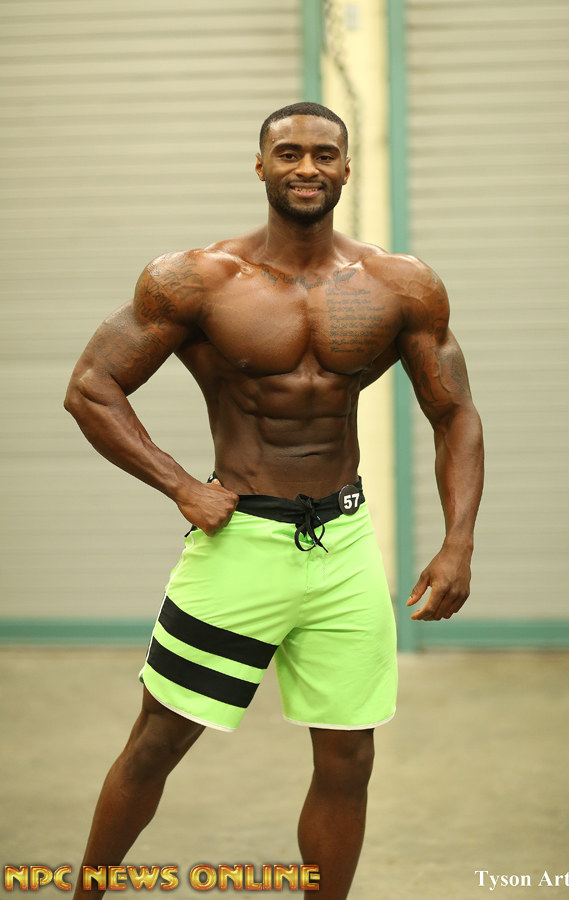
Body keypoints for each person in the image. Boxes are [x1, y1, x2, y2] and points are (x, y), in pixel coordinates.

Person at [64, 101, 484, 900]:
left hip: (343, 547)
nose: (306, 167)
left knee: (349, 758)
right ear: (260, 165)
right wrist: (180, 484)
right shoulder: (196, 279)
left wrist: (458, 540)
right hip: (240, 545)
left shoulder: (400, 284)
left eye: (324, 154)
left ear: (346, 169)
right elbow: (91, 388)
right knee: (158, 741)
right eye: (288, 153)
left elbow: (455, 412)